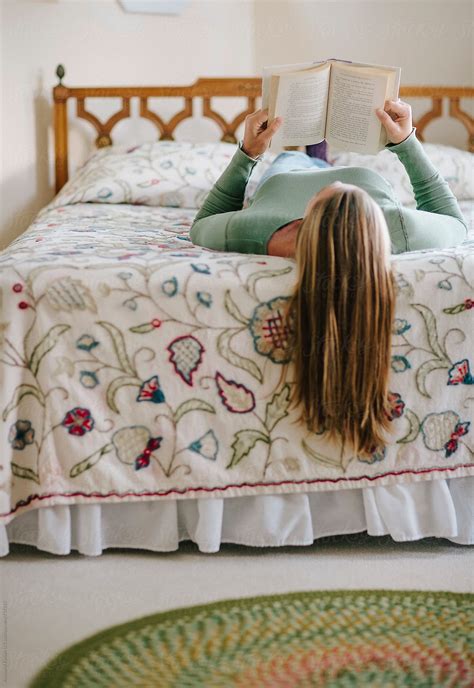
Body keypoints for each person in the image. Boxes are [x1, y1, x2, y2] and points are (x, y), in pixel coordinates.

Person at [190, 101, 468, 459]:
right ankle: (320, 150)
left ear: (307, 217)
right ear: (375, 225)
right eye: (346, 190)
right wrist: (406, 143)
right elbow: (453, 220)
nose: (336, 183)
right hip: (364, 177)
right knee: (323, 163)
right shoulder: (400, 226)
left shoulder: (259, 231)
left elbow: (204, 222)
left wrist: (248, 154)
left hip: (282, 178)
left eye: (331, 190)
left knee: (291, 161)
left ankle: (313, 150)